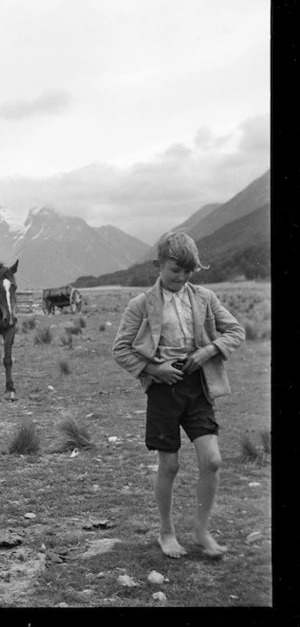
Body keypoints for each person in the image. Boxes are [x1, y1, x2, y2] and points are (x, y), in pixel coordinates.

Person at [112, 231, 244, 559]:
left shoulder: (204, 298)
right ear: (158, 265)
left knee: (212, 460)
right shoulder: (141, 304)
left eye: (188, 272)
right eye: (175, 271)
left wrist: (209, 350)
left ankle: (201, 532)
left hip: (198, 388)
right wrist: (154, 370)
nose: (181, 278)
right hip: (162, 392)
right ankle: (166, 532)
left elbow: (236, 331)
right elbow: (120, 349)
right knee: (168, 465)